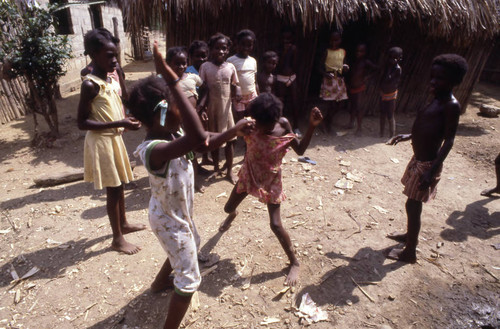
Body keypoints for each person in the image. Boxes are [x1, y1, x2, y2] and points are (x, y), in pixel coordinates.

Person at [129, 42, 253, 329]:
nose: (185, 111)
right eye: (179, 105)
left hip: (176, 215)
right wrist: (170, 77)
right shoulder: (153, 150)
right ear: (162, 113)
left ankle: (159, 284)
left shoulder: (174, 131)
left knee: (191, 244)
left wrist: (233, 130)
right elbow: (198, 137)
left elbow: (205, 138)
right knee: (189, 281)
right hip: (167, 220)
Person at [218, 93, 323, 286]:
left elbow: (300, 151)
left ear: (275, 120)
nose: (259, 128)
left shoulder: (283, 126)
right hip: (248, 174)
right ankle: (233, 215)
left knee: (275, 225)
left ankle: (294, 262)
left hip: (271, 180)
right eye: (257, 123)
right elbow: (229, 135)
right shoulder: (248, 125)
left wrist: (311, 127)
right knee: (227, 208)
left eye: (264, 125)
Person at [386, 54, 468, 263]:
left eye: (439, 78)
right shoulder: (437, 99)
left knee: (413, 206)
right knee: (411, 204)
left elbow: (448, 140)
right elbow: (429, 128)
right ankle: (408, 236)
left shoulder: (451, 105)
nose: (433, 81)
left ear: (453, 82)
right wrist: (409, 136)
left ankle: (410, 251)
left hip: (427, 165)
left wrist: (431, 172)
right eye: (432, 77)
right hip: (419, 160)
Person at [77, 28, 144, 255]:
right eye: (109, 55)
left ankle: (123, 224)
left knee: (120, 184)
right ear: (94, 55)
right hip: (102, 142)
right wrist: (119, 124)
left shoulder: (110, 79)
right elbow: (82, 123)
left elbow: (115, 108)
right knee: (113, 189)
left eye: (115, 55)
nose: (115, 60)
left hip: (115, 139)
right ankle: (117, 239)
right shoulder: (90, 85)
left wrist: (125, 119)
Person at [199, 33, 240, 183]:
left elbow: (235, 86)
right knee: (214, 141)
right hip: (212, 109)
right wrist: (202, 109)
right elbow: (202, 89)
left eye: (224, 48)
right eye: (217, 48)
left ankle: (229, 170)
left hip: (226, 110)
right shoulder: (205, 67)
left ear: (228, 50)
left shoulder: (230, 67)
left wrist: (236, 101)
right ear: (211, 49)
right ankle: (216, 167)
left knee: (230, 141)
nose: (220, 51)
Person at [165, 46, 207, 192]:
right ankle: (174, 183)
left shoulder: (192, 77)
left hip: (190, 122)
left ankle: (193, 181)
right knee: (175, 153)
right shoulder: (164, 81)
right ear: (168, 63)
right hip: (174, 124)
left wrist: (201, 106)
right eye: (177, 63)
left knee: (193, 152)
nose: (181, 66)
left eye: (184, 63)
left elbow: (205, 89)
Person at [186, 40, 212, 168]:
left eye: (204, 56)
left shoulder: (208, 69)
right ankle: (194, 164)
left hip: (205, 107)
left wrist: (202, 107)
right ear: (191, 57)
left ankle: (205, 158)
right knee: (193, 135)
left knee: (205, 132)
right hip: (193, 109)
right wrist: (198, 108)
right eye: (197, 56)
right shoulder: (188, 72)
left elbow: (207, 89)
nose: (201, 59)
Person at [318, 30, 348, 133]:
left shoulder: (343, 52)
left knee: (339, 105)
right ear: (330, 41)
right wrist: (325, 74)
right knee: (330, 104)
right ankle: (327, 124)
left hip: (339, 81)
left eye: (337, 40)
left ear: (340, 40)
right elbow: (319, 67)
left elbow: (344, 65)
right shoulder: (326, 52)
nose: (334, 42)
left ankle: (326, 121)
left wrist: (345, 68)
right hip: (329, 82)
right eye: (332, 40)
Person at [227, 29, 259, 121]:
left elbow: (255, 81)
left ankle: (250, 136)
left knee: (252, 119)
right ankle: (240, 135)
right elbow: (229, 81)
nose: (246, 47)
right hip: (238, 97)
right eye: (243, 44)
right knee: (240, 120)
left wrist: (258, 95)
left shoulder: (253, 61)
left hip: (252, 96)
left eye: (249, 45)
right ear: (237, 44)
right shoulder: (231, 60)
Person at [347, 43, 377, 135]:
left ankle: (359, 128)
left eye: (361, 51)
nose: (358, 53)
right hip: (352, 87)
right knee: (352, 106)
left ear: (364, 52)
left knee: (359, 108)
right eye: (357, 51)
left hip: (360, 88)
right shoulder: (353, 62)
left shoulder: (366, 62)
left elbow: (376, 69)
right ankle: (351, 123)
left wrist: (367, 77)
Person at [276, 27, 300, 135]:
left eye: (288, 38)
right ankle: (280, 127)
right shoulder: (278, 50)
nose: (286, 41)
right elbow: (278, 66)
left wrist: (292, 52)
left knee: (295, 102)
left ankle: (296, 126)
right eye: (284, 38)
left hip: (292, 77)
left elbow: (295, 65)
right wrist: (285, 52)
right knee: (281, 102)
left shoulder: (294, 49)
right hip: (280, 78)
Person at [380, 47, 403, 138]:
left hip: (391, 94)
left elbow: (389, 79)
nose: (392, 60)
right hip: (383, 93)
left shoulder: (397, 69)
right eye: (390, 58)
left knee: (390, 114)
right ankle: (381, 133)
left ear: (399, 58)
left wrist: (389, 70)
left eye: (394, 58)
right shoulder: (387, 67)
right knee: (382, 113)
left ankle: (391, 135)